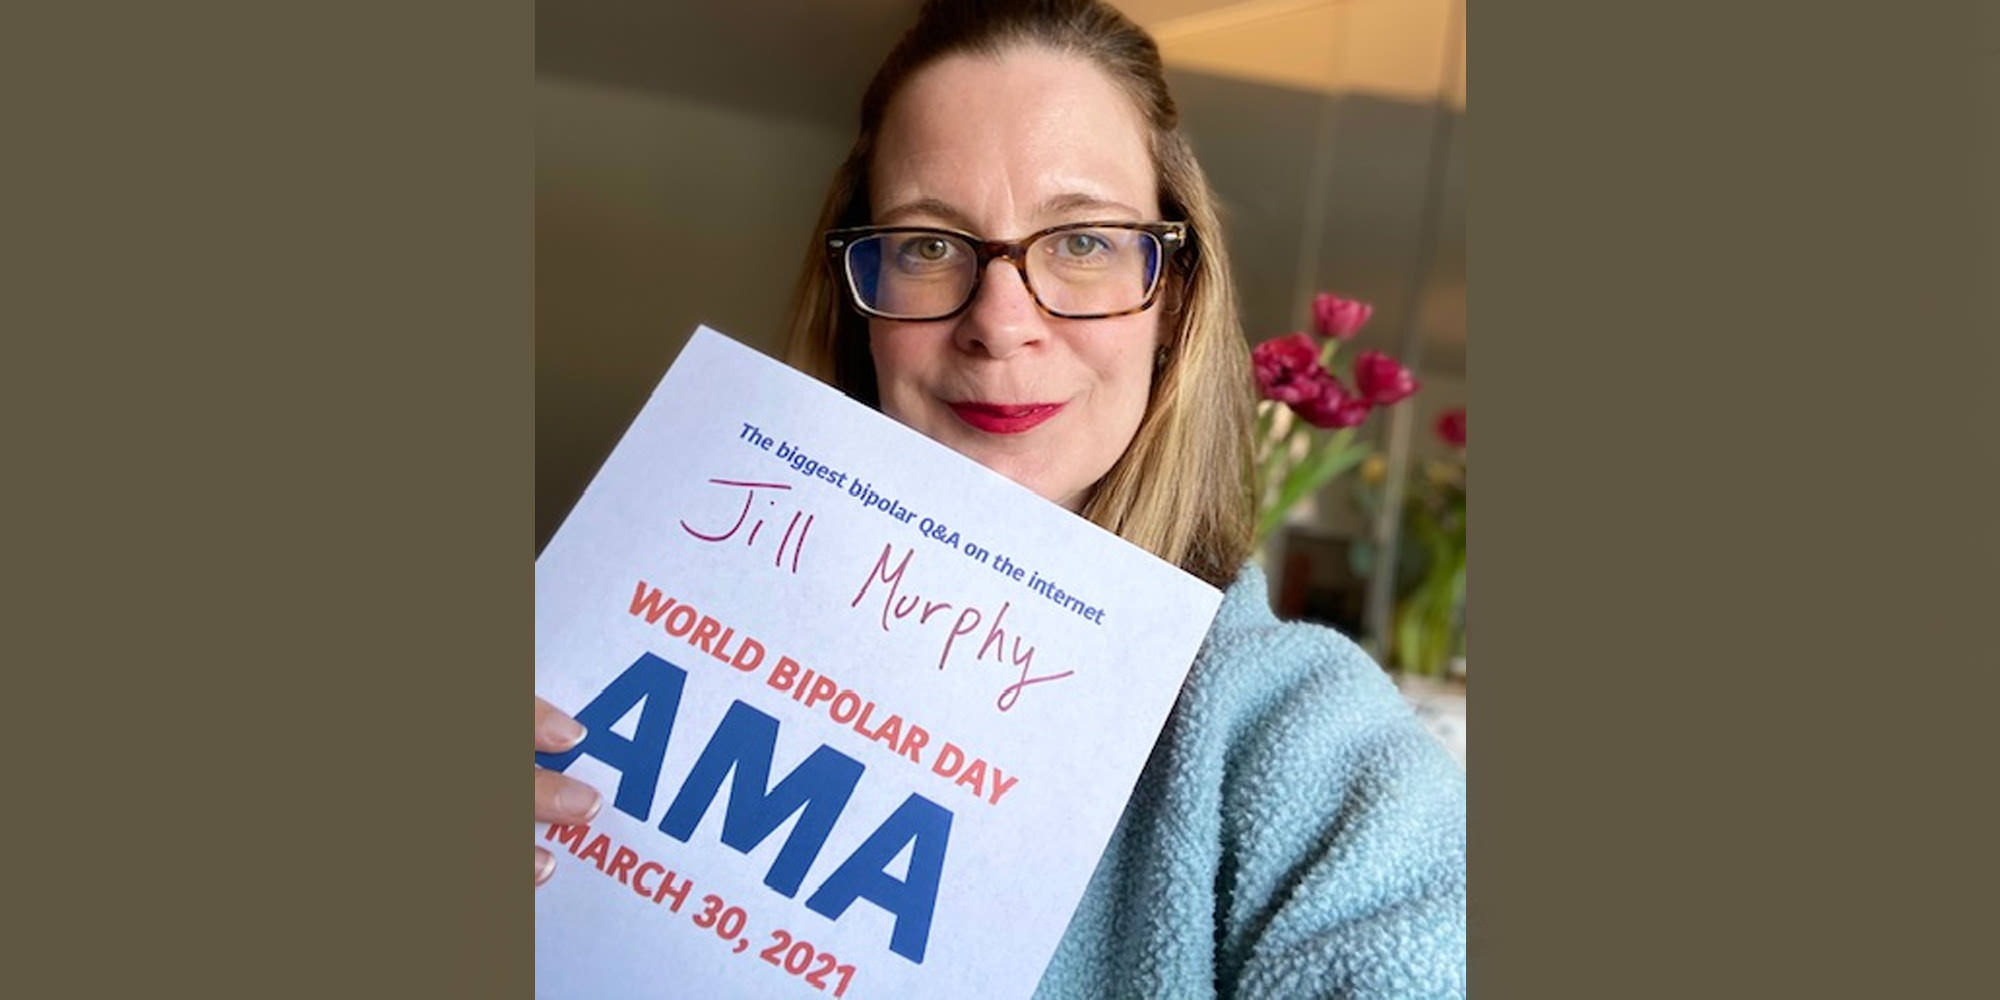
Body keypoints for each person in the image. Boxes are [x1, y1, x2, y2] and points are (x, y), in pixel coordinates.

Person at [535, 2, 1466, 996]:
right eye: (929, 246)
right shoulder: (602, 636)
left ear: (1173, 303)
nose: (1001, 323)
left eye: (1081, 242)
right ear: (859, 308)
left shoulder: (1295, 737)